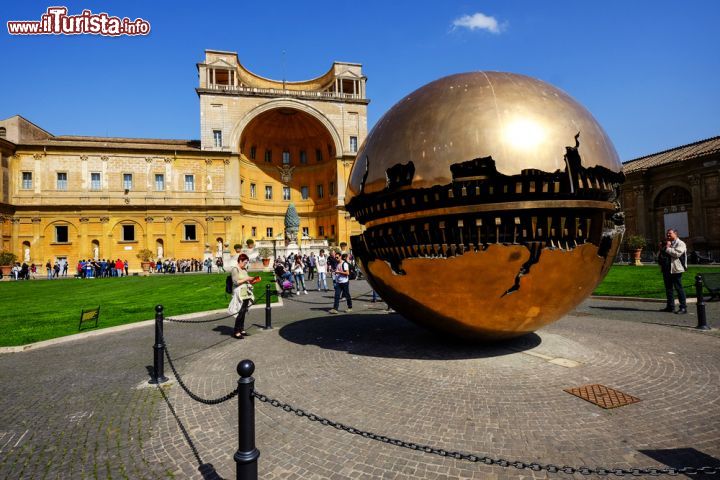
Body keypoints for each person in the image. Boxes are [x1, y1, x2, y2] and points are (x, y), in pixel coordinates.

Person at [227, 254, 256, 339]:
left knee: (243, 311)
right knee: (240, 311)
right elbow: (236, 282)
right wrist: (247, 279)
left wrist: (252, 280)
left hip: (245, 291)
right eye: (245, 262)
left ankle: (241, 329)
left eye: (246, 262)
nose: (245, 264)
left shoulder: (244, 269)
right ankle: (236, 331)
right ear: (240, 261)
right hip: (239, 292)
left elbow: (246, 279)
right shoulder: (235, 269)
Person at [659, 228, 688, 314]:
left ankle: (683, 308)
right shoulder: (667, 243)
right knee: (669, 289)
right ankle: (670, 306)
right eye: (667, 234)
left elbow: (677, 253)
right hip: (666, 269)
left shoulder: (681, 243)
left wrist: (667, 248)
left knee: (679, 289)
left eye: (670, 234)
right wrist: (661, 248)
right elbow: (661, 255)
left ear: (675, 234)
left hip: (676, 269)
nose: (668, 235)